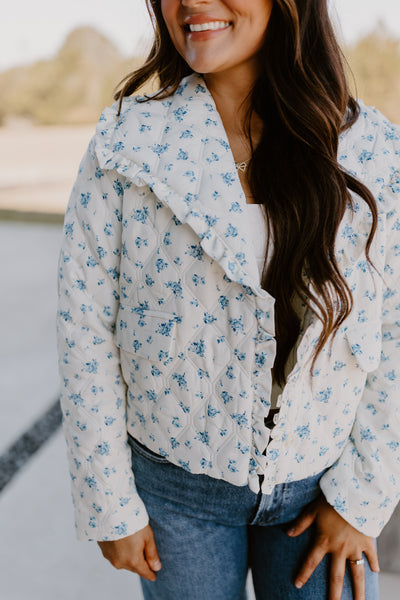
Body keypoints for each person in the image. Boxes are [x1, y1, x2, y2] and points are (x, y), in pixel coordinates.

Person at [56, 1, 400, 598]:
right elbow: (84, 327)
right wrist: (109, 499)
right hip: (173, 493)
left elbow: (393, 330)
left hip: (324, 492)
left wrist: (361, 500)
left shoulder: (372, 149)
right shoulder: (126, 143)